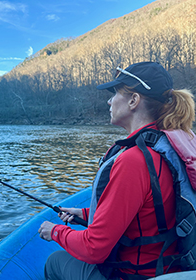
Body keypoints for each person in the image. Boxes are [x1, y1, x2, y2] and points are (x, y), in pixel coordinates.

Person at [38, 61, 195, 280]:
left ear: (133, 100)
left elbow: (94, 248)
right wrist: (83, 214)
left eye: (115, 93)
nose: (109, 101)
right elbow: (150, 212)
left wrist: (54, 231)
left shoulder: (134, 160)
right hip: (171, 267)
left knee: (55, 261)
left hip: (135, 275)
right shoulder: (170, 145)